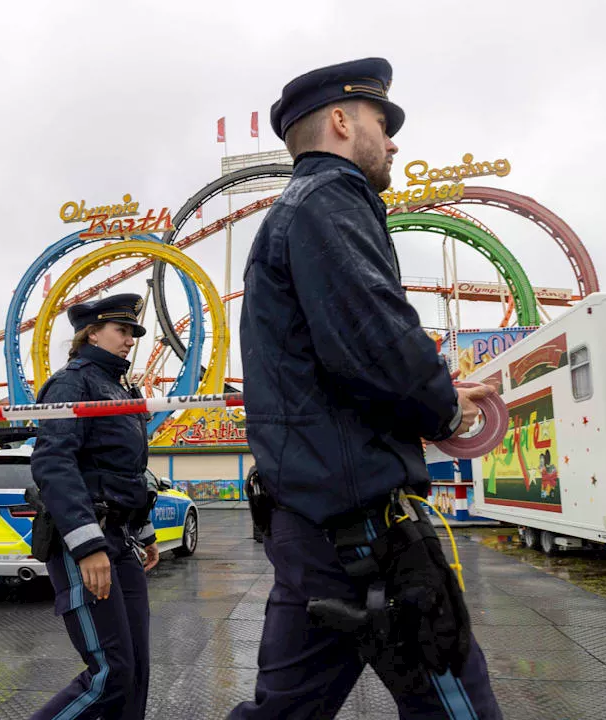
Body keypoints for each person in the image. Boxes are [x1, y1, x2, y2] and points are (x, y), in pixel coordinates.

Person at [231, 58, 503, 719]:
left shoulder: (291, 215)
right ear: (343, 121)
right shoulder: (331, 201)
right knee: (456, 706)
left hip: (311, 520)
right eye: (384, 122)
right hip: (366, 531)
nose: (395, 140)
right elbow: (375, 341)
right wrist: (443, 403)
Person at [29, 293, 160, 720]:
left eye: (132, 333)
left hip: (122, 540)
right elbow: (53, 463)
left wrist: (144, 533)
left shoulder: (122, 389)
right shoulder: (72, 383)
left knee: (135, 669)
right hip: (85, 541)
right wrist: (88, 546)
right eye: (122, 331)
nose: (130, 340)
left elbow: (129, 470)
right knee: (111, 673)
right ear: (92, 332)